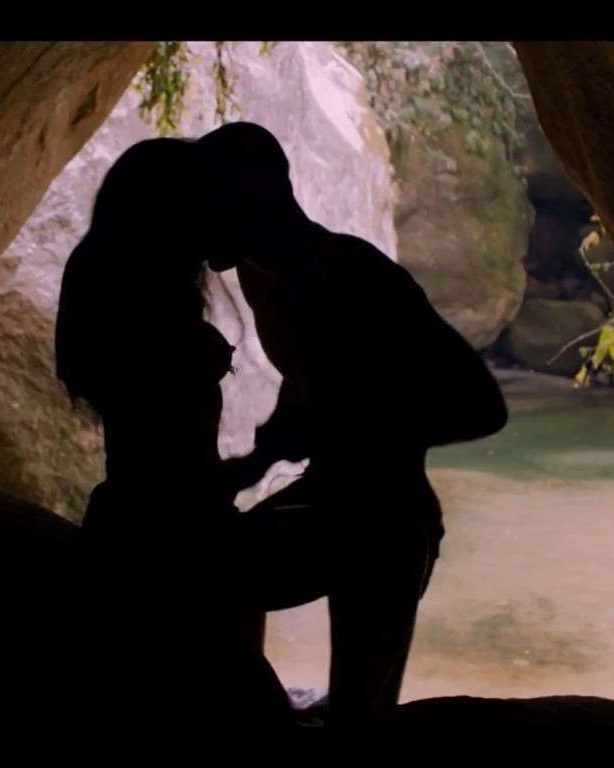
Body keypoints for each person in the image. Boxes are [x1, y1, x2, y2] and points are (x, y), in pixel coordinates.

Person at [195, 121, 510, 725]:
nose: (196, 225)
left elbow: (482, 405)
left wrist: (355, 431)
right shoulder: (259, 275)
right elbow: (309, 373)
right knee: (215, 578)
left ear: (249, 201)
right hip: (329, 504)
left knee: (360, 717)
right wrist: (260, 459)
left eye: (208, 206)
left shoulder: (356, 277)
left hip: (389, 523)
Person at [53, 136, 295, 726]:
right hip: (185, 541)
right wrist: (263, 460)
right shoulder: (160, 324)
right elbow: (180, 475)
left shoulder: (106, 291)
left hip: (127, 524)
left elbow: (151, 460)